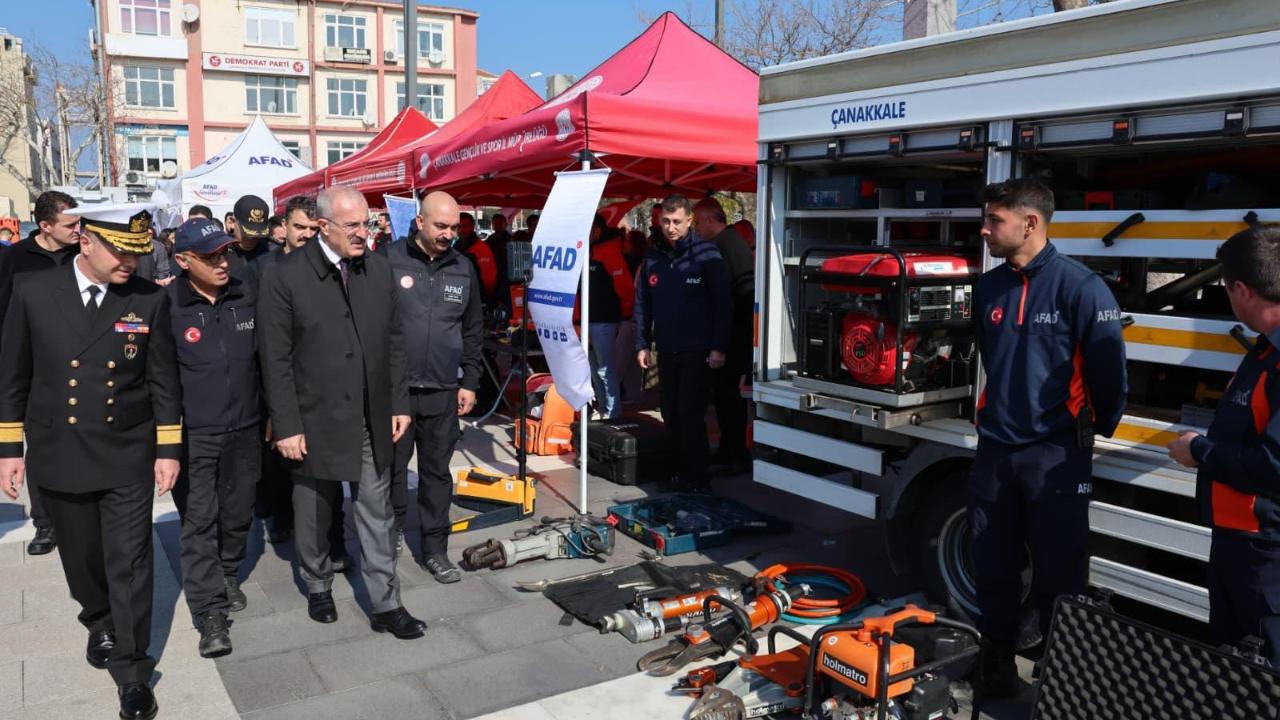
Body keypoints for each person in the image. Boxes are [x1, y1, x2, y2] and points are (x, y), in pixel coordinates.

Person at [0, 203, 181, 720]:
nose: (130, 262)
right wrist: (10, 450)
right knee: (82, 560)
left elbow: (163, 381)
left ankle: (132, 670)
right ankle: (97, 618)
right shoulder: (35, 292)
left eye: (137, 253)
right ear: (86, 242)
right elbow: (11, 377)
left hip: (126, 450)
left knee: (131, 562)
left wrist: (168, 449)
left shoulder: (148, 299)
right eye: (121, 251)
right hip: (59, 450)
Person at [970, 178, 1127, 696]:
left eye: (995, 220)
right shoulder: (990, 287)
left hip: (1055, 456)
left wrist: (1085, 431)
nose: (985, 229)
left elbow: (1110, 379)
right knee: (992, 568)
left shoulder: (1081, 288)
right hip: (996, 452)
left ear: (1030, 222)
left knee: (1060, 576)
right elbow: (994, 359)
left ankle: (1060, 685)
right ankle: (994, 669)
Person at [258, 186, 424, 637]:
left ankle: (387, 603)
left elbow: (393, 340)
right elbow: (275, 357)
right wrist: (287, 425)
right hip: (313, 418)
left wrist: (398, 403)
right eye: (352, 226)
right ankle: (317, 585)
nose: (362, 234)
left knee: (377, 508)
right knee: (313, 509)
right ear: (323, 226)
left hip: (371, 415)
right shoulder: (285, 275)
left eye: (366, 224)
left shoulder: (377, 268)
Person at [1167, 225, 1280, 665]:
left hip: (1266, 553)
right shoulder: (1264, 351)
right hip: (1240, 544)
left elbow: (1274, 466)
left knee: (1264, 672)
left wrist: (1198, 450)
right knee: (1232, 668)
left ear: (1240, 290)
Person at [166, 218, 262, 658]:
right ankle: (210, 613)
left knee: (239, 512)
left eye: (224, 253)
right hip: (195, 436)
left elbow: (266, 360)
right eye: (210, 257)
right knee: (200, 521)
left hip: (245, 427)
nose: (222, 262)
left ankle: (227, 570)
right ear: (183, 261)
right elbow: (160, 381)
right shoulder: (166, 304)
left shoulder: (245, 294)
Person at [385, 191, 482, 580]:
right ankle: (388, 536)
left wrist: (470, 381)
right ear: (420, 221)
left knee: (437, 474)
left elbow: (473, 329)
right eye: (440, 226)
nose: (448, 234)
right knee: (390, 471)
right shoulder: (387, 259)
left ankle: (435, 548)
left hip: (443, 389)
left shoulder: (463, 266)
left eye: (454, 228)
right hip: (397, 392)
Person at [0, 190, 81, 556]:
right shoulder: (15, 259)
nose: (79, 229)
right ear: (45, 226)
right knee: (41, 448)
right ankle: (45, 524)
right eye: (71, 224)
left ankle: (79, 513)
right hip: (36, 370)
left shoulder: (83, 255)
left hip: (84, 363)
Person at [634, 194, 731, 493]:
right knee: (670, 413)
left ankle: (698, 477)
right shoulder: (652, 256)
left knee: (691, 414)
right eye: (666, 221)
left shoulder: (707, 254)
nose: (671, 227)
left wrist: (719, 347)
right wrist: (641, 344)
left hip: (697, 350)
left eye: (677, 222)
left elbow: (723, 304)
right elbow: (642, 304)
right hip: (666, 349)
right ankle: (677, 471)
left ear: (689, 221)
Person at [695, 199, 754, 476]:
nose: (696, 228)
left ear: (708, 220)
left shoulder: (727, 245)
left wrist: (725, 340)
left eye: (697, 222)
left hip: (730, 339)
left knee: (728, 399)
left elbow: (741, 295)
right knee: (724, 398)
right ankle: (730, 451)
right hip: (728, 336)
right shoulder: (729, 243)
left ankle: (736, 455)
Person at [582, 216, 635, 420]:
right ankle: (604, 408)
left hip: (603, 320)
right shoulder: (588, 252)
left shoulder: (609, 253)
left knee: (604, 369)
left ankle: (613, 411)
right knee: (594, 370)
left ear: (596, 231)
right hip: (589, 320)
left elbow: (624, 287)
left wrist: (626, 313)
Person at [455, 212, 498, 305]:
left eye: (465, 226)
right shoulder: (454, 247)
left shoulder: (482, 248)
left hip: (478, 300)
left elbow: (489, 280)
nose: (462, 230)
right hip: (458, 297)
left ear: (472, 227)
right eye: (459, 226)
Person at [226, 195, 273, 279]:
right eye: (247, 232)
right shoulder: (220, 253)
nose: (252, 238)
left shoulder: (272, 250)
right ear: (232, 222)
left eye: (258, 233)